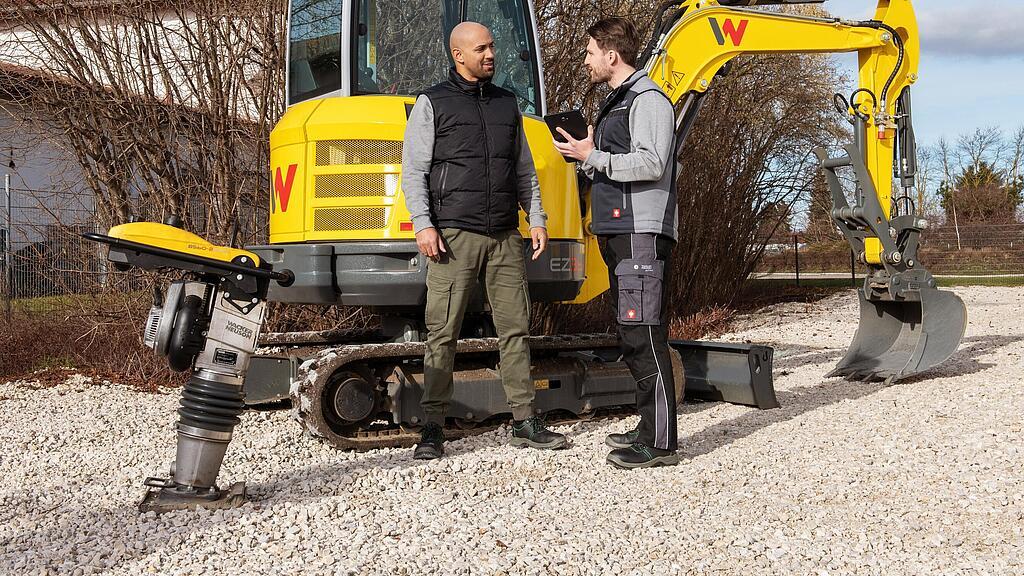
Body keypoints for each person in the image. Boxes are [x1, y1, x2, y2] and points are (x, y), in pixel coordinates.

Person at [401, 21, 568, 460]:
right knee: (443, 332)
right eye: (482, 48)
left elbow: (524, 169)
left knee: (516, 329)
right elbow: (414, 170)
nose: (491, 54)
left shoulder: (506, 103)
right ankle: (433, 427)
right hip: (453, 236)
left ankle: (524, 420)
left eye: (492, 46)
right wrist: (423, 224)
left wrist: (536, 219)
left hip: (504, 236)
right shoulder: (432, 102)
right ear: (459, 55)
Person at [553, 17, 680, 469]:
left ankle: (661, 443)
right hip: (618, 229)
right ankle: (650, 426)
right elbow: (615, 166)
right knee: (632, 332)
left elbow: (651, 163)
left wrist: (595, 156)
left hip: (640, 231)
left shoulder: (648, 100)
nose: (585, 60)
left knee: (644, 333)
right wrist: (584, 155)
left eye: (590, 52)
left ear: (611, 55)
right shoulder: (619, 103)